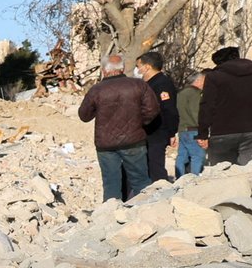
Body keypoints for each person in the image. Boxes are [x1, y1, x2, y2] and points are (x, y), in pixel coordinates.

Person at [78, 53, 159, 202]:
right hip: (134, 140)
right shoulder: (139, 85)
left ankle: (111, 213)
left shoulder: (96, 90)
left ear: (104, 70)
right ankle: (145, 210)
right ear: (122, 69)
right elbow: (152, 110)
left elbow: (84, 116)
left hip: (106, 144)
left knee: (111, 183)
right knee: (140, 181)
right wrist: (139, 123)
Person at [197, 46, 252, 167]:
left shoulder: (215, 77)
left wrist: (202, 133)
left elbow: (207, 105)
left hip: (222, 132)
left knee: (222, 172)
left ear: (219, 63)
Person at [134, 50, 178, 182]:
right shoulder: (147, 84)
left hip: (157, 131)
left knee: (155, 166)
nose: (137, 70)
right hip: (145, 132)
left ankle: (160, 189)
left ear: (147, 67)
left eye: (138, 66)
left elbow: (169, 109)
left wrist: (172, 132)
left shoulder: (161, 83)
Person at [174, 71, 207, 177]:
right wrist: (203, 129)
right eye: (204, 81)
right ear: (198, 81)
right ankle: (194, 179)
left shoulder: (181, 93)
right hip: (194, 129)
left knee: (182, 156)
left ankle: (179, 178)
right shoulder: (195, 93)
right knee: (197, 156)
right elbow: (196, 112)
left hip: (182, 129)